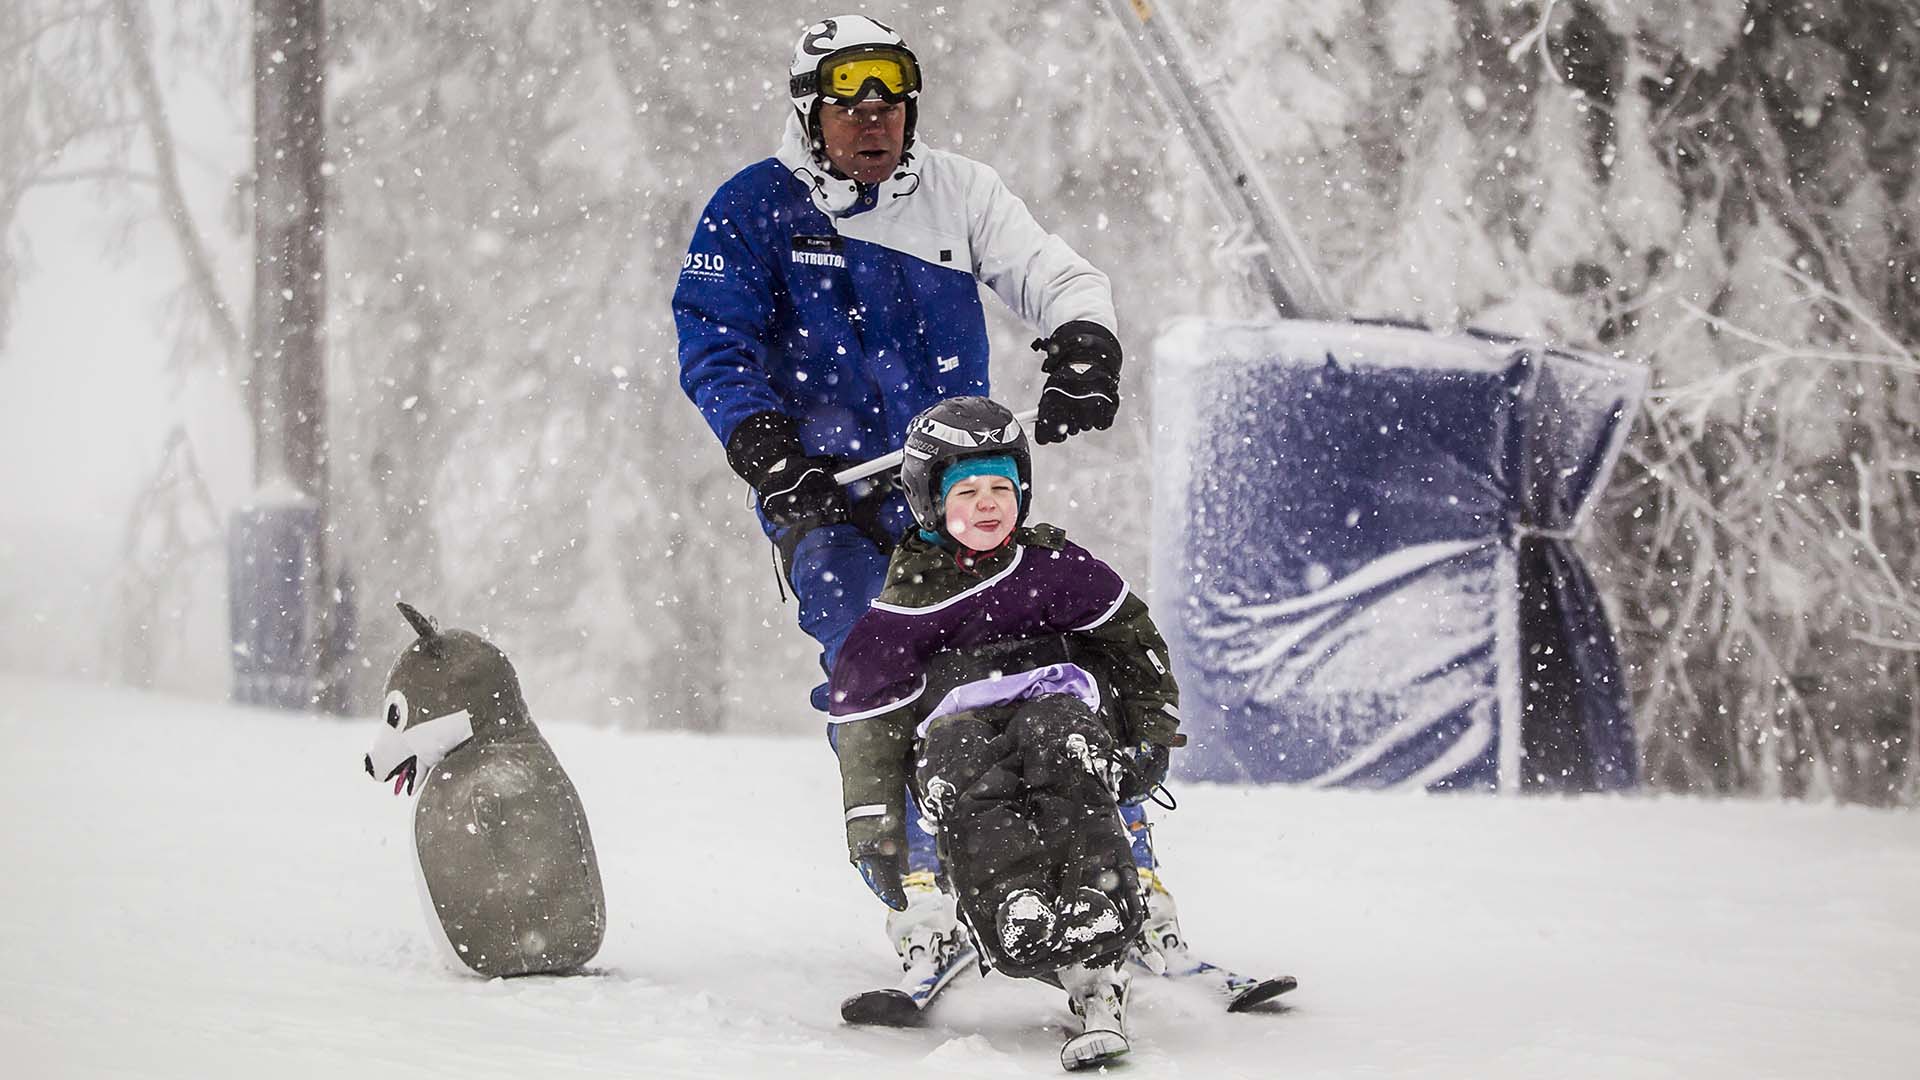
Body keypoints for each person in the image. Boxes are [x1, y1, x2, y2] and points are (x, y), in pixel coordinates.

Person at [671, 14, 1185, 981]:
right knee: (883, 682)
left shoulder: (959, 193)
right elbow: (712, 341)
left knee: (1051, 665)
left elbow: (1055, 273)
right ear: (809, 113)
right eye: (849, 106)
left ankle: (1132, 882)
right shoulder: (752, 209)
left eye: (891, 105)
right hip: (827, 502)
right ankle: (924, 896)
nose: (874, 124)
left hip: (952, 489)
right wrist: (766, 443)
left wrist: (1083, 341)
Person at [827, 397, 1181, 1063]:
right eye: (968, 491)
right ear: (930, 503)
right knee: (969, 765)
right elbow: (868, 724)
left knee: (1060, 746)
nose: (988, 505)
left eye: (1002, 488)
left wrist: (1152, 733)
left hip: (1059, 713)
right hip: (957, 738)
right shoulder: (907, 603)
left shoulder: (1052, 567)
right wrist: (872, 829)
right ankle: (1013, 905)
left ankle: (1094, 913)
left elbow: (1134, 642)